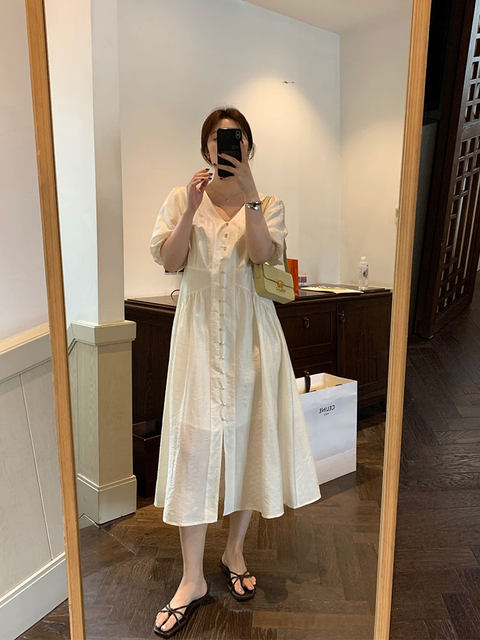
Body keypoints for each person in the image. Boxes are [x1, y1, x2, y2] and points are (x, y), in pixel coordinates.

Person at [149, 106, 321, 637]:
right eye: (218, 139)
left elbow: (263, 255)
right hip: (198, 340)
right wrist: (189, 209)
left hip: (252, 339)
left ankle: (235, 551)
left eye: (236, 139)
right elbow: (170, 261)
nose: (226, 147)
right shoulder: (182, 197)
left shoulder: (268, 201)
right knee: (193, 449)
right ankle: (192, 579)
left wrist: (249, 194)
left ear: (248, 147)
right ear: (206, 148)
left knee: (247, 443)